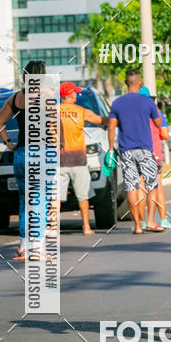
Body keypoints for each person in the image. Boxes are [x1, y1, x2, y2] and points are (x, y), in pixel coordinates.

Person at [0, 60, 46, 261]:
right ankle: (38, 248)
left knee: (25, 201)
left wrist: (9, 143)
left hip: (21, 153)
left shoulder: (16, 98)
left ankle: (23, 246)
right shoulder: (46, 96)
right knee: (40, 200)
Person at [108, 69, 163, 234]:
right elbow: (159, 123)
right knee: (151, 186)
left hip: (126, 151)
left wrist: (111, 149)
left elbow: (111, 127)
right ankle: (151, 221)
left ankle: (137, 226)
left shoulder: (117, 103)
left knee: (131, 187)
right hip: (145, 149)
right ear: (140, 84)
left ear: (126, 83)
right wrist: (154, 109)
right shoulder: (147, 102)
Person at [59, 82, 107, 234]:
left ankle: (52, 227)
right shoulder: (81, 111)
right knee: (82, 196)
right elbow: (100, 120)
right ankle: (86, 226)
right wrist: (116, 119)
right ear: (71, 95)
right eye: (75, 94)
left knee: (56, 197)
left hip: (59, 161)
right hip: (78, 160)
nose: (76, 96)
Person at [137, 86, 171, 231]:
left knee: (140, 188)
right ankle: (163, 220)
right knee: (157, 187)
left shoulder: (133, 114)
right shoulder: (155, 112)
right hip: (154, 153)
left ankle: (142, 222)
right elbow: (165, 134)